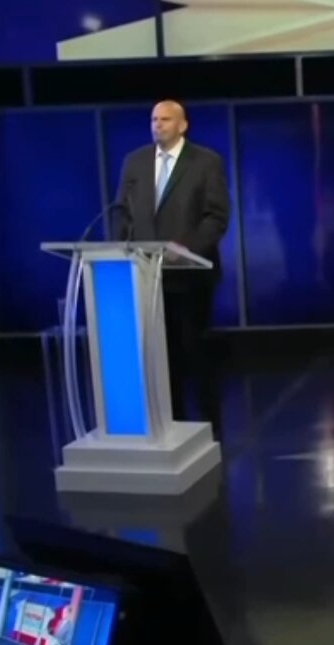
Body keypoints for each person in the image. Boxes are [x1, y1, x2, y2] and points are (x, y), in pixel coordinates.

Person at [114, 100, 230, 433]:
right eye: (153, 119)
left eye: (165, 119)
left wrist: (189, 249)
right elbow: (122, 214)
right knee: (161, 361)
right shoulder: (134, 162)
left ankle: (210, 430)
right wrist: (122, 253)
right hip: (147, 278)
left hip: (191, 279)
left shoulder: (206, 162)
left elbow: (217, 216)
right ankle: (171, 426)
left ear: (182, 125)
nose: (157, 125)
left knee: (195, 354)